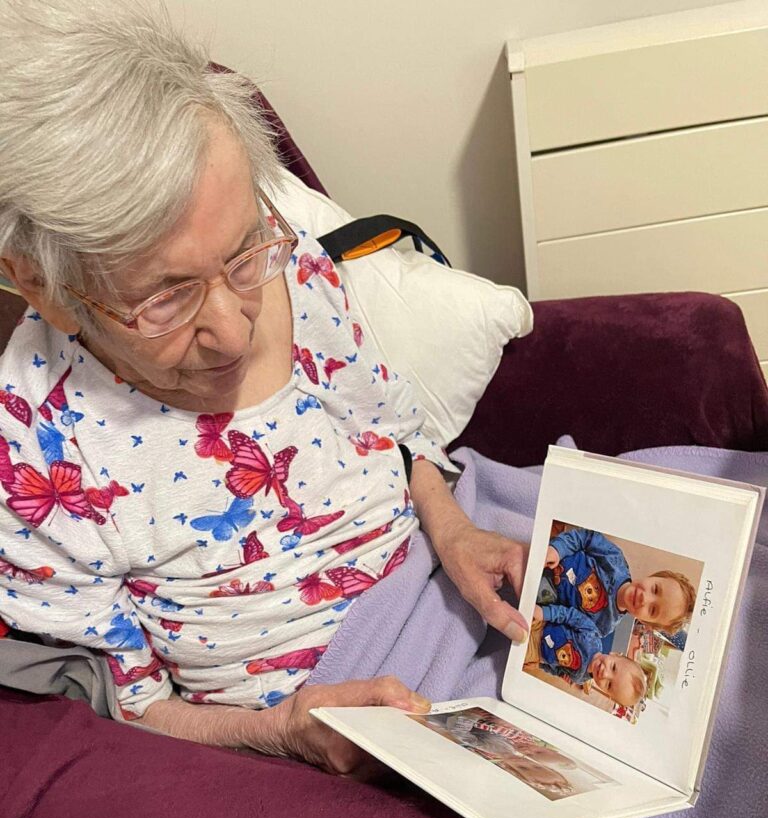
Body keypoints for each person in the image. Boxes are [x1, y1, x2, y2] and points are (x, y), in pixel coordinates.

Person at [0, 0, 527, 774]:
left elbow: (392, 435)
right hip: (329, 707)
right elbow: (124, 706)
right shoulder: (35, 447)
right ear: (41, 288)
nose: (235, 330)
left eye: (244, 257)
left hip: (443, 558)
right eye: (166, 298)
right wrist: (280, 730)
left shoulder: (290, 259)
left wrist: (454, 533)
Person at [539, 528, 696, 637]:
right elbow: (586, 538)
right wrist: (558, 549)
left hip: (539, 596)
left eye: (652, 610)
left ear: (645, 622)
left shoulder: (603, 627)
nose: (645, 599)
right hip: (545, 554)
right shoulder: (615, 561)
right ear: (653, 576)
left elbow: (563, 628)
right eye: (655, 589)